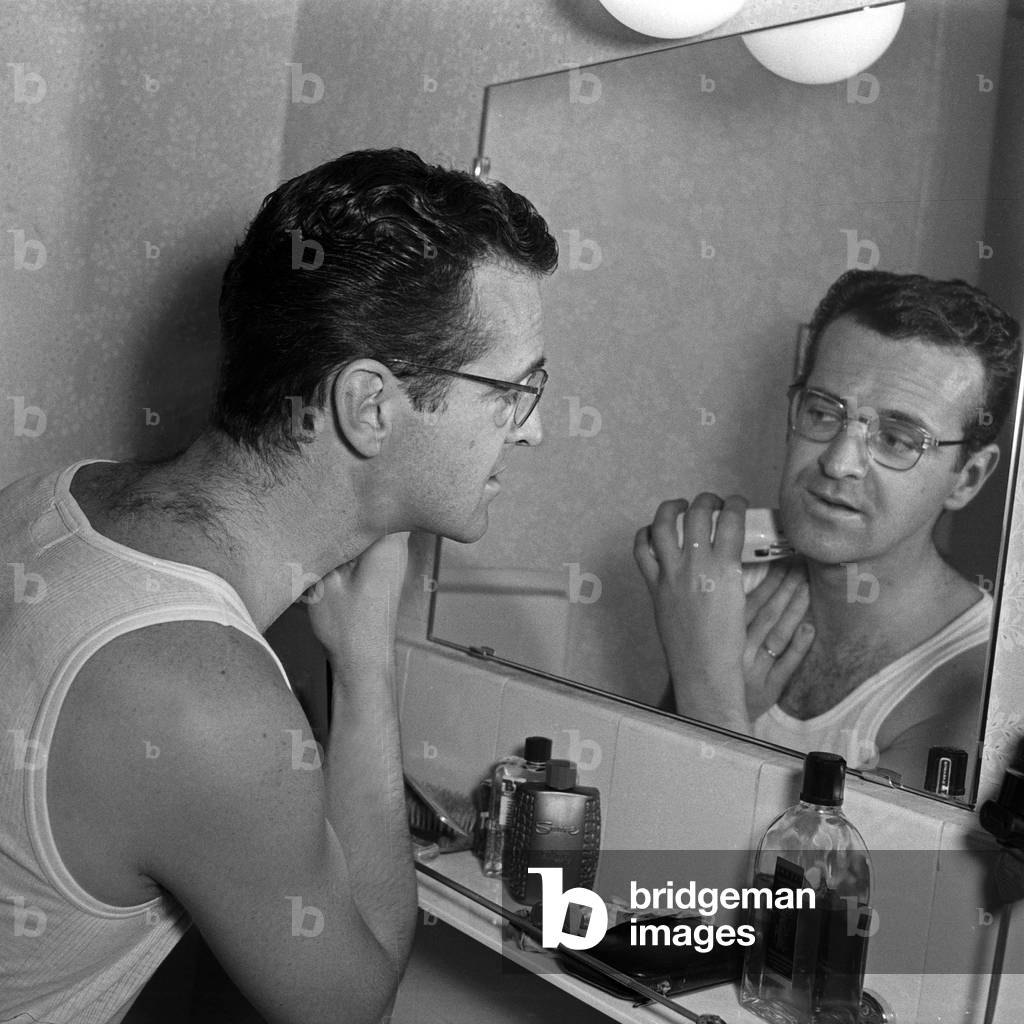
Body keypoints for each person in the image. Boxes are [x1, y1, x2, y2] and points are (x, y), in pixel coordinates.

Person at [0, 149, 556, 1024]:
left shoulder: (50, 497)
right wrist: (365, 669)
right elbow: (350, 1003)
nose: (532, 431)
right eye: (515, 390)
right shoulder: (201, 703)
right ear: (370, 407)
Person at [636, 270, 1020, 790]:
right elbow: (660, 820)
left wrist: (707, 687)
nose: (839, 462)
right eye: (822, 412)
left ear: (966, 478)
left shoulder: (976, 693)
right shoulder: (734, 597)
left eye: (899, 440)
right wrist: (724, 697)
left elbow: (806, 870)